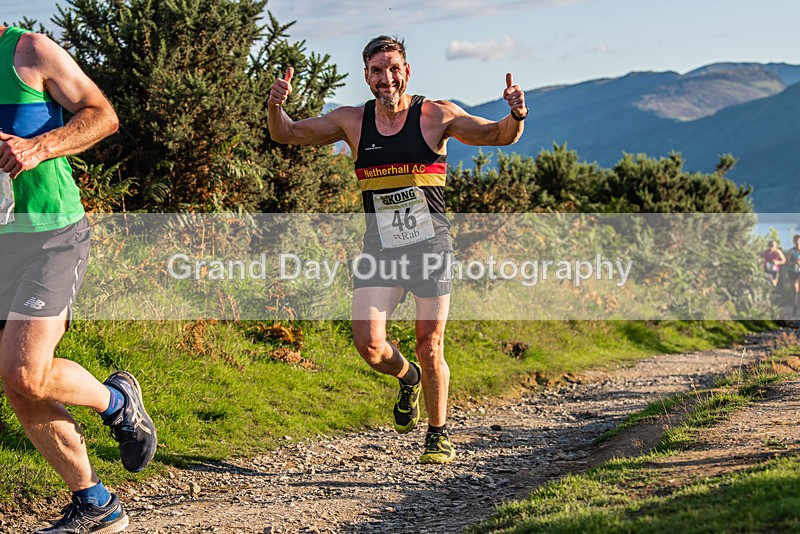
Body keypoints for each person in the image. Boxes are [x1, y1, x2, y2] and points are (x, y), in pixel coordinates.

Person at [268, 35, 527, 463]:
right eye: (377, 70)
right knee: (369, 344)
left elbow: (499, 135)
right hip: (381, 249)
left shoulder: (437, 115)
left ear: (407, 71)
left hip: (431, 248)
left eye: (393, 68)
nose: (386, 78)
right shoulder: (353, 121)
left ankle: (438, 433)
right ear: (366, 76)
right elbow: (288, 133)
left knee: (430, 344)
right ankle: (408, 378)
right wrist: (276, 105)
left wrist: (516, 113)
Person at [0, 25, 157, 533]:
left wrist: (38, 147)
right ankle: (96, 502)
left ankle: (117, 403)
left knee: (25, 372)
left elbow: (103, 115)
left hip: (50, 236)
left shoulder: (28, 51)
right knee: (19, 383)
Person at [786, 235, 800, 318]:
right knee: (795, 290)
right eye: (796, 241)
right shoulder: (791, 251)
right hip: (793, 272)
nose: (798, 243)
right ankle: (795, 309)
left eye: (799, 241)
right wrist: (794, 263)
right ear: (794, 242)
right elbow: (786, 262)